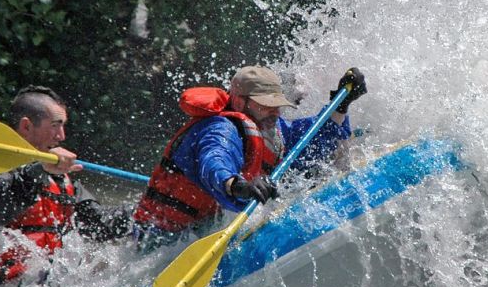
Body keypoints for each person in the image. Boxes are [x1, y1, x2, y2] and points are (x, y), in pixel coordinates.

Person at [131, 65, 367, 247]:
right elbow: (214, 162)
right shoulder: (219, 130)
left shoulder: (268, 127)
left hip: (199, 227)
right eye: (265, 105)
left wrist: (341, 105)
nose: (274, 111)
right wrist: (238, 186)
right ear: (238, 100)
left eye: (276, 104)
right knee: (110, 223)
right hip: (159, 239)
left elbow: (310, 136)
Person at [0, 85, 130, 282]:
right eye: (55, 125)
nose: (61, 136)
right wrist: (39, 170)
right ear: (26, 126)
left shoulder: (61, 180)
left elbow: (100, 224)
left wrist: (146, 212)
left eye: (63, 125)